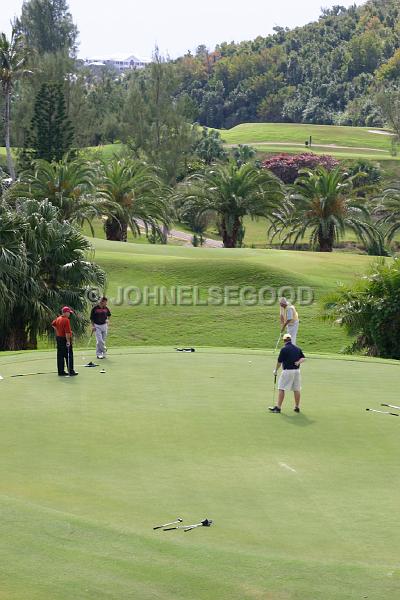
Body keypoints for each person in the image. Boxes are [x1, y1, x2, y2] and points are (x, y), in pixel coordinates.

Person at [269, 333, 305, 413]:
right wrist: (298, 362)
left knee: (281, 388)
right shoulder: (297, 348)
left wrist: (275, 370)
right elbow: (303, 358)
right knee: (297, 389)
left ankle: (278, 408)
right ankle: (297, 407)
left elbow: (279, 362)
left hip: (287, 371)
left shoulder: (284, 349)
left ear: (284, 341)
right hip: (297, 371)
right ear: (290, 340)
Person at [51, 306, 78, 377]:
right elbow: (67, 333)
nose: (69, 314)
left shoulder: (58, 318)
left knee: (60, 355)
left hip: (59, 338)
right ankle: (71, 371)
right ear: (65, 312)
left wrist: (58, 331)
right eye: (68, 312)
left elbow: (53, 324)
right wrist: (68, 341)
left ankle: (61, 371)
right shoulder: (66, 320)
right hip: (64, 339)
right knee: (69, 355)